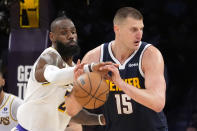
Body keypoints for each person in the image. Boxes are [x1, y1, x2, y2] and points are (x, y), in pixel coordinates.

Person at [15, 16, 109, 131]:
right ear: (52, 37)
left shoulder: (74, 70)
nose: (71, 36)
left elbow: (68, 111)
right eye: (64, 33)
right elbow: (54, 76)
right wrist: (90, 67)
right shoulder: (49, 56)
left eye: (73, 32)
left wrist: (100, 119)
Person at [82, 7, 168, 131]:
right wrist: (77, 82)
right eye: (133, 29)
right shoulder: (94, 57)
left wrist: (120, 83)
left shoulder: (150, 55)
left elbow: (158, 103)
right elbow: (80, 104)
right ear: (117, 29)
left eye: (141, 29)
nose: (139, 34)